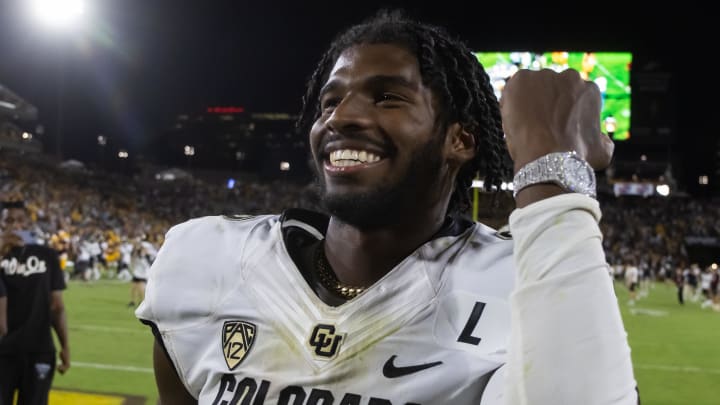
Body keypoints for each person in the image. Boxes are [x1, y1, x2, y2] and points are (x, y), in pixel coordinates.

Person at [136, 9, 637, 404]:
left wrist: (550, 166)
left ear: (459, 139)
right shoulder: (207, 260)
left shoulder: (517, 287)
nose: (342, 116)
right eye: (329, 102)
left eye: (387, 98)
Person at [0, 196, 71, 405]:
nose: (15, 226)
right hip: (24, 349)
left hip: (28, 348)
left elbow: (57, 307)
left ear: (27, 223)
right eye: (9, 221)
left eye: (19, 220)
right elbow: (56, 306)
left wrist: (64, 345)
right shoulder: (48, 256)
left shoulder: (48, 255)